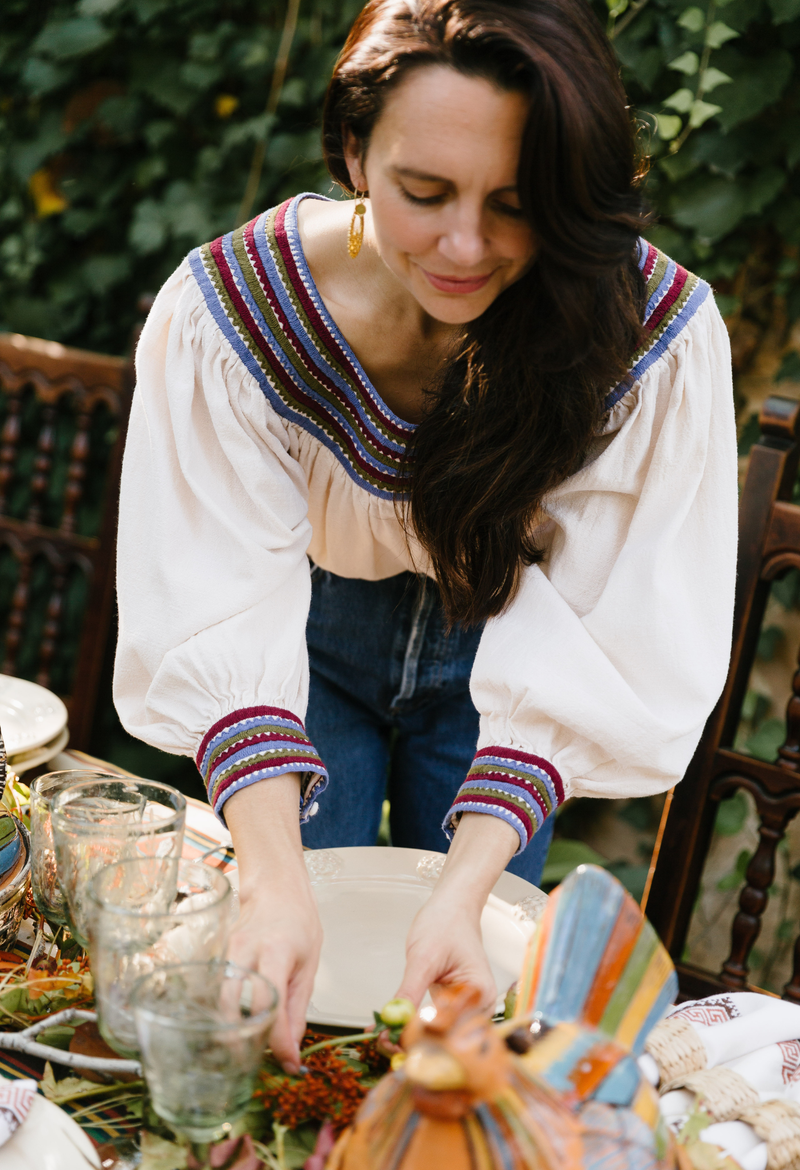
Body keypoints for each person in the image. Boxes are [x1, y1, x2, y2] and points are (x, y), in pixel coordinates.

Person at [114, 0, 738, 1074]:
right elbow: (221, 595)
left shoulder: (648, 336)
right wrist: (268, 877)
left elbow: (592, 635)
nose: (463, 245)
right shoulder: (235, 311)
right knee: (288, 997)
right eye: (423, 191)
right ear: (355, 152)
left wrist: (464, 888)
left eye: (514, 201)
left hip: (511, 658)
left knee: (461, 1005)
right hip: (302, 644)